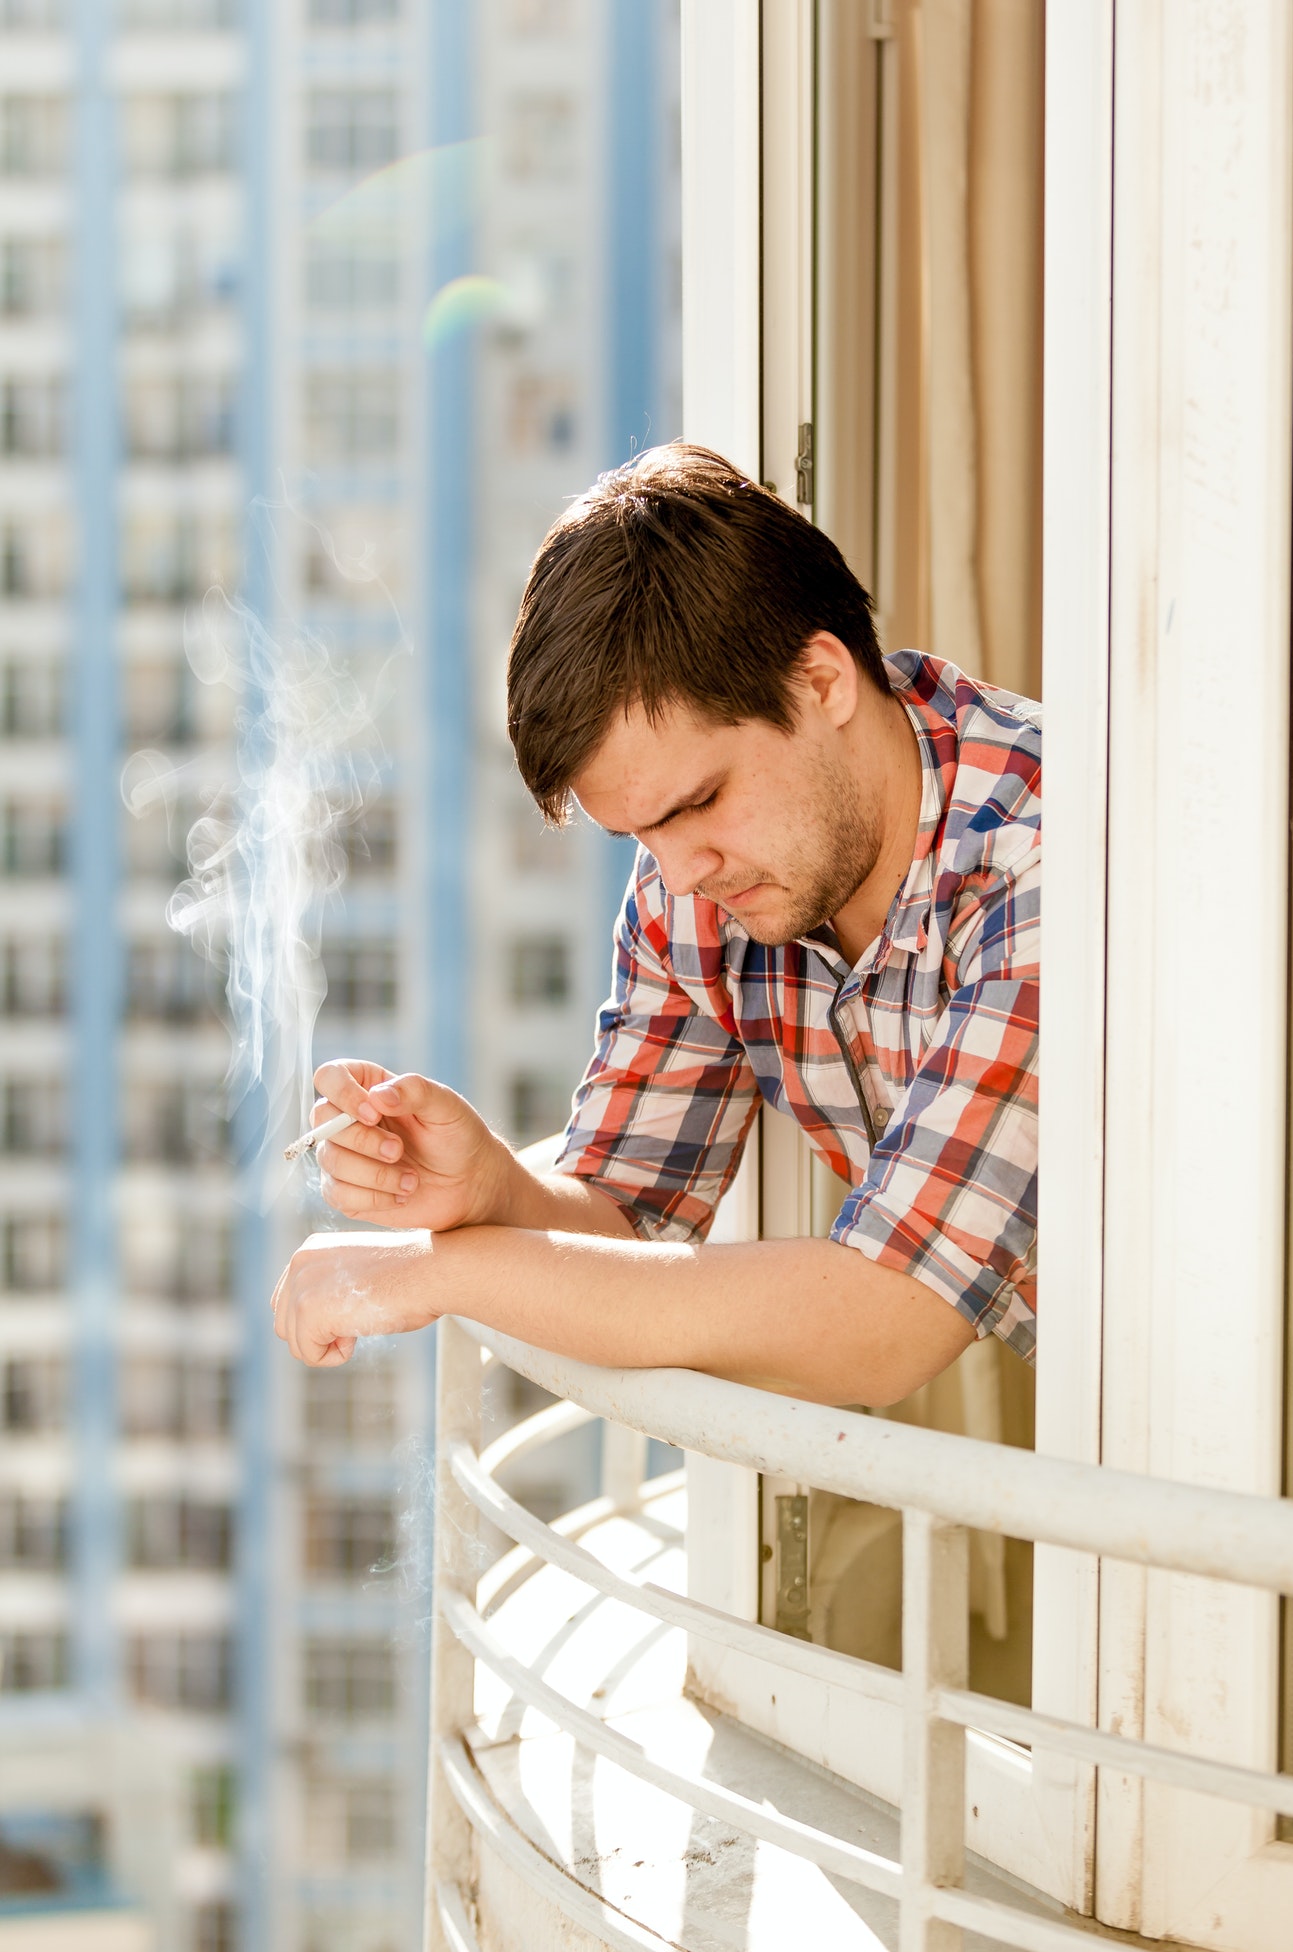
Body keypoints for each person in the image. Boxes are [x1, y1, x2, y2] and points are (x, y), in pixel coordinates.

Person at [271, 443, 1040, 1406]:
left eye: (699, 802)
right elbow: (632, 1214)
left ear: (823, 683)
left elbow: (884, 1316)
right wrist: (491, 1194)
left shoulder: (1040, 864)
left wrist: (441, 1274)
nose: (678, 873)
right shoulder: (700, 877)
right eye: (639, 833)